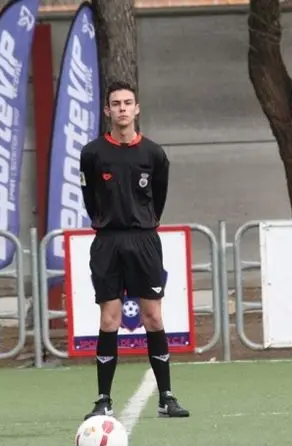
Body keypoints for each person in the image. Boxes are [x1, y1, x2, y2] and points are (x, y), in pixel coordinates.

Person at [78, 80, 190, 420]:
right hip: (108, 242)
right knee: (109, 318)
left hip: (144, 241)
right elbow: (89, 197)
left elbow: (159, 196)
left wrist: (144, 222)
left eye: (128, 103)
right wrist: (107, 222)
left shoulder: (153, 153)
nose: (122, 108)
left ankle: (166, 397)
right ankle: (103, 399)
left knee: (152, 316)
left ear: (137, 109)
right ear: (107, 111)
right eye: (116, 103)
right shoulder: (93, 153)